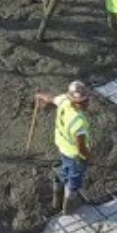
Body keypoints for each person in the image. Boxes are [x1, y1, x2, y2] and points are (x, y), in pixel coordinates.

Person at [36, 81, 93, 215]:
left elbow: (51, 99)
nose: (85, 103)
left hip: (63, 148)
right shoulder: (78, 122)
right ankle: (69, 204)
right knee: (74, 177)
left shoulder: (63, 100)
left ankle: (58, 189)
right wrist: (87, 157)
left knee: (66, 168)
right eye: (82, 101)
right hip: (75, 155)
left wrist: (40, 95)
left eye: (86, 100)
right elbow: (81, 148)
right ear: (73, 101)